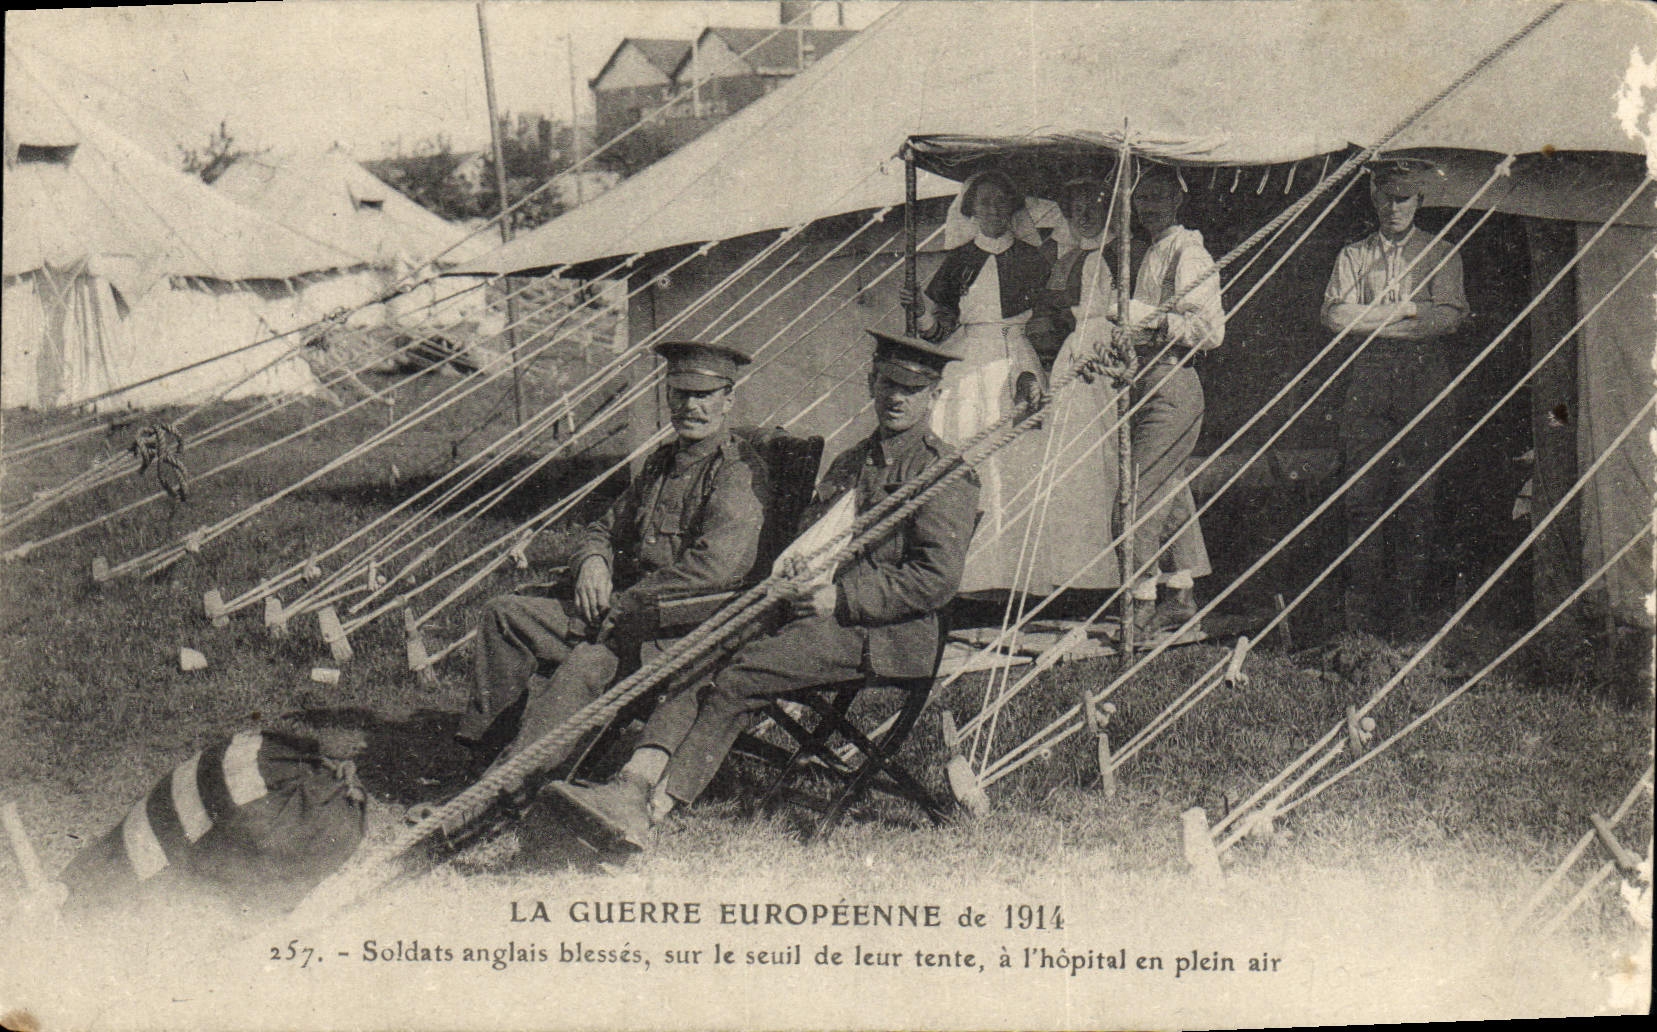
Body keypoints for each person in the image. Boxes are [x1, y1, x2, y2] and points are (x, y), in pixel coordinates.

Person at [543, 330, 980, 850]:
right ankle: (632, 783)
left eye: (912, 389)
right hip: (811, 612)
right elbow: (819, 543)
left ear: (936, 396)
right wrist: (796, 574)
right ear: (870, 381)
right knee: (702, 648)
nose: (896, 397)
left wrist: (840, 598)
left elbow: (935, 579)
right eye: (888, 382)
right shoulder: (850, 462)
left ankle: (653, 810)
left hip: (885, 633)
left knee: (742, 673)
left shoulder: (944, 472)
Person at [454, 341, 769, 777]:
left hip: (668, 630)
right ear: (668, 396)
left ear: (728, 401)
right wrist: (593, 564)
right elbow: (602, 527)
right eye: (680, 394)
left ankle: (516, 777)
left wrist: (627, 603)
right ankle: (483, 752)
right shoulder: (662, 463)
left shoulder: (734, 472)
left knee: (588, 663)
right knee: (505, 616)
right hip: (616, 613)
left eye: (704, 396)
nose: (690, 406)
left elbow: (717, 568)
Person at [1321, 162, 1468, 637]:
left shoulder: (1441, 252)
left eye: (1404, 197)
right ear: (1373, 196)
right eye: (1386, 196)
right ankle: (1360, 619)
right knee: (1362, 497)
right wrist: (1405, 310)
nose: (1394, 206)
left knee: (1415, 500)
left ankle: (1403, 616)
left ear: (1420, 199)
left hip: (1422, 380)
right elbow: (1336, 315)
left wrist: (1389, 313)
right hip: (1368, 379)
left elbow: (1447, 317)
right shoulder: (1354, 253)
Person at [902, 169, 1050, 594]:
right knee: (966, 453)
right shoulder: (961, 259)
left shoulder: (1033, 257)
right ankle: (967, 577)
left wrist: (1028, 364)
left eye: (1002, 202)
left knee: (1015, 460)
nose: (993, 211)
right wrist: (923, 313)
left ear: (1013, 208)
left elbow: (1048, 317)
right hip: (968, 362)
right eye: (984, 203)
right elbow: (937, 327)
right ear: (971, 209)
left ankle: (1018, 576)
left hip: (1015, 356)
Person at [1121, 165, 1223, 636]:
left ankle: (1140, 599)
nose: (1150, 206)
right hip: (1146, 380)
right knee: (1169, 489)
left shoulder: (1189, 251)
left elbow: (1210, 330)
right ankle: (1180, 593)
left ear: (1178, 200)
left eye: (1159, 196)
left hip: (1174, 381)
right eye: (1142, 198)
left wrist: (1149, 318)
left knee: (1139, 490)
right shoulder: (1152, 251)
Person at [1019, 176, 1125, 594]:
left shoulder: (1119, 250)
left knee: (1109, 448)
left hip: (1106, 349)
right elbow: (1044, 306)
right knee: (1073, 453)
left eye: (1094, 204)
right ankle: (1076, 570)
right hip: (1071, 352)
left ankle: (1116, 571)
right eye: (1076, 205)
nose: (1085, 213)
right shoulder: (1060, 253)